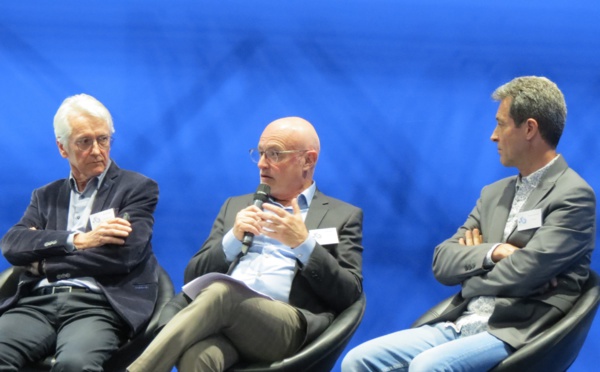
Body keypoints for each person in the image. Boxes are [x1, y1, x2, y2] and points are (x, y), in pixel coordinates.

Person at [342, 76, 596, 371]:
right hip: (462, 322)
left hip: (518, 331)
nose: (493, 135)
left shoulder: (574, 195)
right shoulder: (493, 194)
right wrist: (494, 252)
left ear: (529, 128)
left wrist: (472, 276)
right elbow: (443, 261)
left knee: (428, 366)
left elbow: (526, 273)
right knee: (358, 360)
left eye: (501, 124)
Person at [128, 116, 364, 372]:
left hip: (284, 326)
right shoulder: (236, 206)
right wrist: (233, 238)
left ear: (308, 160)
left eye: (275, 154)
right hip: (223, 322)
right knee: (198, 357)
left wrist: (304, 244)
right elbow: (193, 277)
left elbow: (349, 293)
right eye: (260, 153)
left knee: (223, 292)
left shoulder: (343, 216)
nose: (262, 164)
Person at [0, 94, 160, 371]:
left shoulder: (136, 189)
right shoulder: (45, 196)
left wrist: (46, 264)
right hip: (37, 303)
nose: (97, 150)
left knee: (75, 364)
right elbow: (13, 245)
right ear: (63, 148)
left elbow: (122, 256)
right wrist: (79, 240)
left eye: (103, 139)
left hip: (98, 305)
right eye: (85, 142)